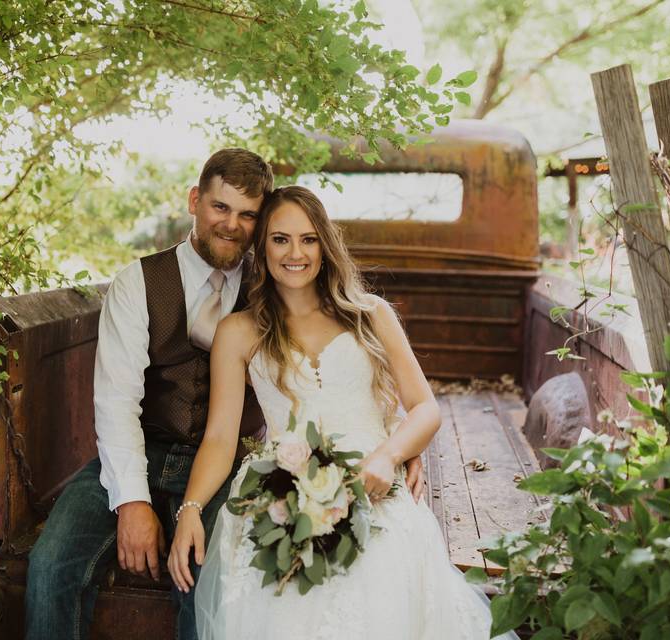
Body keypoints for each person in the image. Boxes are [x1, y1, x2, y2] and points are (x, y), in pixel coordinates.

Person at [25, 151, 428, 640]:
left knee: (206, 567)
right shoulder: (140, 283)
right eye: (220, 208)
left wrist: (397, 443)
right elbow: (116, 404)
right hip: (142, 448)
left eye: (247, 215)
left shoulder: (273, 280)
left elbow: (356, 389)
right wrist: (132, 502)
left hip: (229, 456)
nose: (232, 225)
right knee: (49, 565)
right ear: (196, 201)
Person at [167, 186, 519, 640]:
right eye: (280, 239)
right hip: (281, 498)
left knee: (382, 582)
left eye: (308, 239)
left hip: (374, 490)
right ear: (262, 247)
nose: (296, 253)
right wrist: (191, 511)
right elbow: (219, 436)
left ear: (325, 244)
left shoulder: (370, 315)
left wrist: (390, 455)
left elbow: (425, 408)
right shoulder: (238, 331)